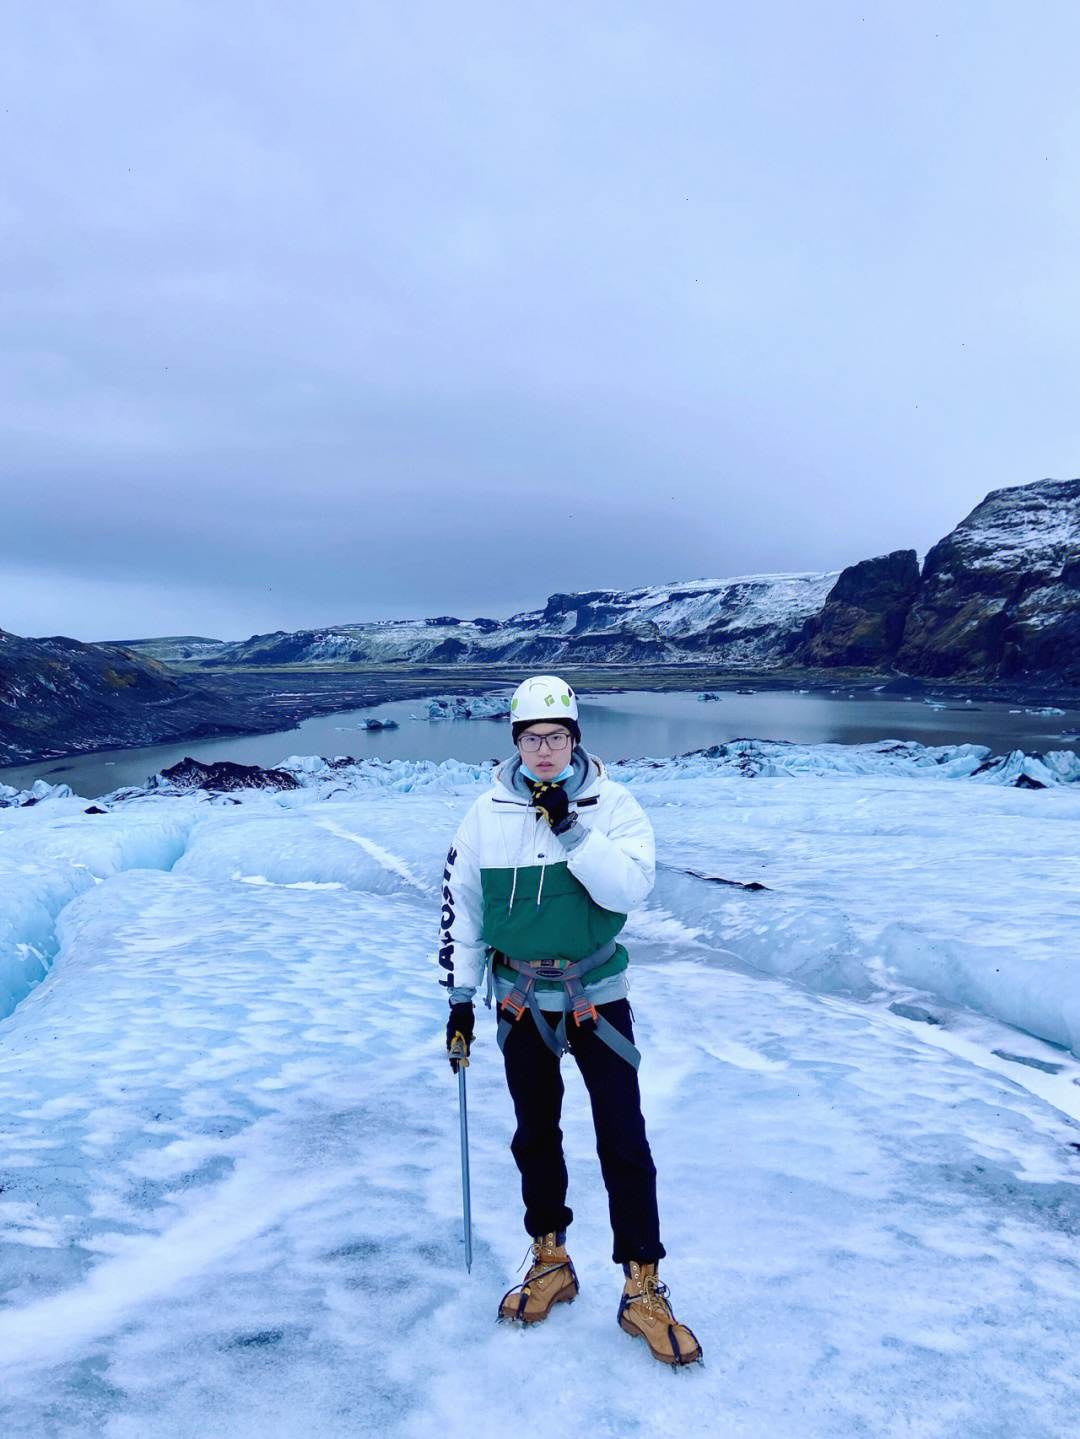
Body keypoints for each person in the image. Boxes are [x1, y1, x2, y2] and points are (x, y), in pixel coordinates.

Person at [439, 674, 702, 1367]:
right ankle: (551, 1257)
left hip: (597, 995)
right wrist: (461, 1000)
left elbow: (629, 887)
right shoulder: (485, 814)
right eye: (532, 738)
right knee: (535, 1134)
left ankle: (643, 1284)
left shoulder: (611, 804)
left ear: (575, 737)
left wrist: (570, 825)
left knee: (623, 1136)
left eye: (556, 737)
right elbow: (463, 910)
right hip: (521, 999)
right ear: (517, 741)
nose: (545, 749)